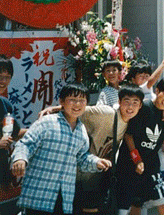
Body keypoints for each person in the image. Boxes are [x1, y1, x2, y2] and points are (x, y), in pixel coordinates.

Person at [39, 84, 144, 215]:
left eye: (135, 103)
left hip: (93, 181)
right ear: (119, 102)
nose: (130, 107)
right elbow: (78, 109)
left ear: (140, 106)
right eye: (126, 102)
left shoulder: (130, 123)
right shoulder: (106, 114)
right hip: (73, 176)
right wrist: (53, 109)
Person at [11, 83, 112, 215]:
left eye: (82, 100)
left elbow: (82, 158)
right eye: (72, 100)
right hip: (39, 193)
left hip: (65, 196)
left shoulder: (81, 131)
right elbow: (26, 144)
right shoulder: (47, 122)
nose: (77, 104)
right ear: (61, 101)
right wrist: (20, 159)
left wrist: (96, 162)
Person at [116, 77, 164, 215]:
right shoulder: (143, 108)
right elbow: (128, 136)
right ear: (157, 91)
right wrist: (137, 159)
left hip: (151, 166)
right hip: (129, 164)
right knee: (129, 206)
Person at [0, 55, 25, 215]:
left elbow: (14, 134)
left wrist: (42, 126)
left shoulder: (5, 104)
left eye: (7, 77)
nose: (3, 81)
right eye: (0, 76)